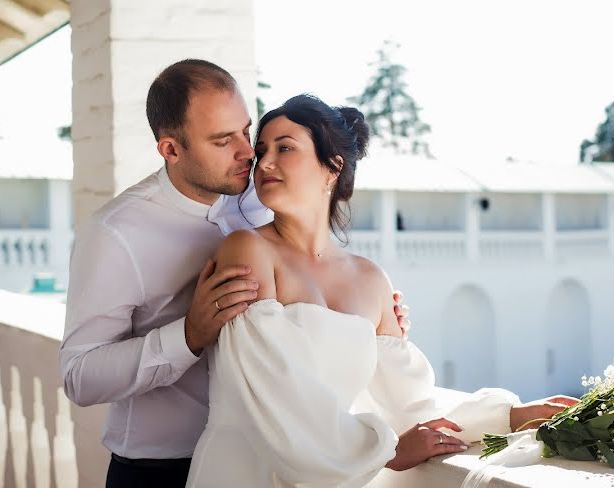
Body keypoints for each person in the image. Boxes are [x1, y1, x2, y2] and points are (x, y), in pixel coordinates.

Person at [186, 94, 578, 487]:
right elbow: (274, 390)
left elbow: (410, 403)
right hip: (247, 471)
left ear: (332, 168)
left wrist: (508, 416)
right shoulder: (247, 249)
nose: (264, 163)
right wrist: (386, 452)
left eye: (284, 148)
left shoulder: (370, 280)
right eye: (261, 151)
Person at [59, 59, 413, 487]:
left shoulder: (262, 198)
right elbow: (79, 376)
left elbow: (306, 304)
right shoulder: (115, 233)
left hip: (277, 461)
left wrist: (363, 326)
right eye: (224, 140)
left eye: (246, 132)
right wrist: (187, 336)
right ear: (172, 149)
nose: (249, 154)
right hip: (159, 469)